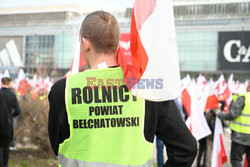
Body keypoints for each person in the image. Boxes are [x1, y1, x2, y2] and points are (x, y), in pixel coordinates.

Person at [48, 11, 197, 167]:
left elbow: (57, 147)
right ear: (116, 43)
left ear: (85, 43)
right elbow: (186, 148)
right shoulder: (146, 89)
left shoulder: (63, 90)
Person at [218, 81, 250, 167]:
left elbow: (232, 114)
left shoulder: (244, 98)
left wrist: (219, 114)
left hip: (240, 136)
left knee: (236, 160)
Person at [0, 77, 21, 167]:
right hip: (8, 123)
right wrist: (11, 116)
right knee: (6, 145)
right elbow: (17, 111)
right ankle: (5, 164)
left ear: (2, 83)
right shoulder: (12, 95)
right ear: (9, 84)